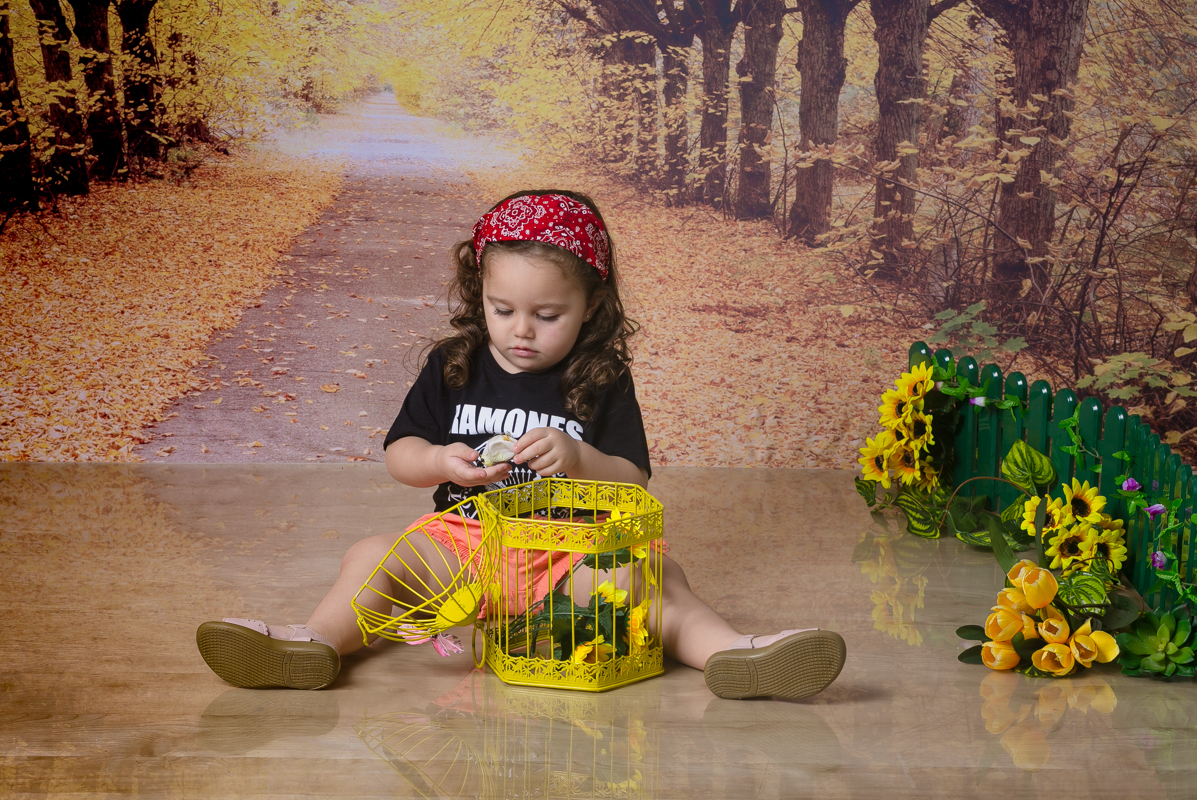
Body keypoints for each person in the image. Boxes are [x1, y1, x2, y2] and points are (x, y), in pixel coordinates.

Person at [196, 190, 846, 700]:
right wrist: (438, 461)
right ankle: (311, 644)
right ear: (480, 295)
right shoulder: (456, 363)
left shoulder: (599, 378)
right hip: (468, 549)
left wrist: (577, 459)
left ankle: (734, 655)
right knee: (373, 557)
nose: (520, 332)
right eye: (502, 309)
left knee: (655, 583)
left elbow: (631, 479)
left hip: (572, 559)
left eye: (547, 315)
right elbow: (400, 453)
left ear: (590, 306)